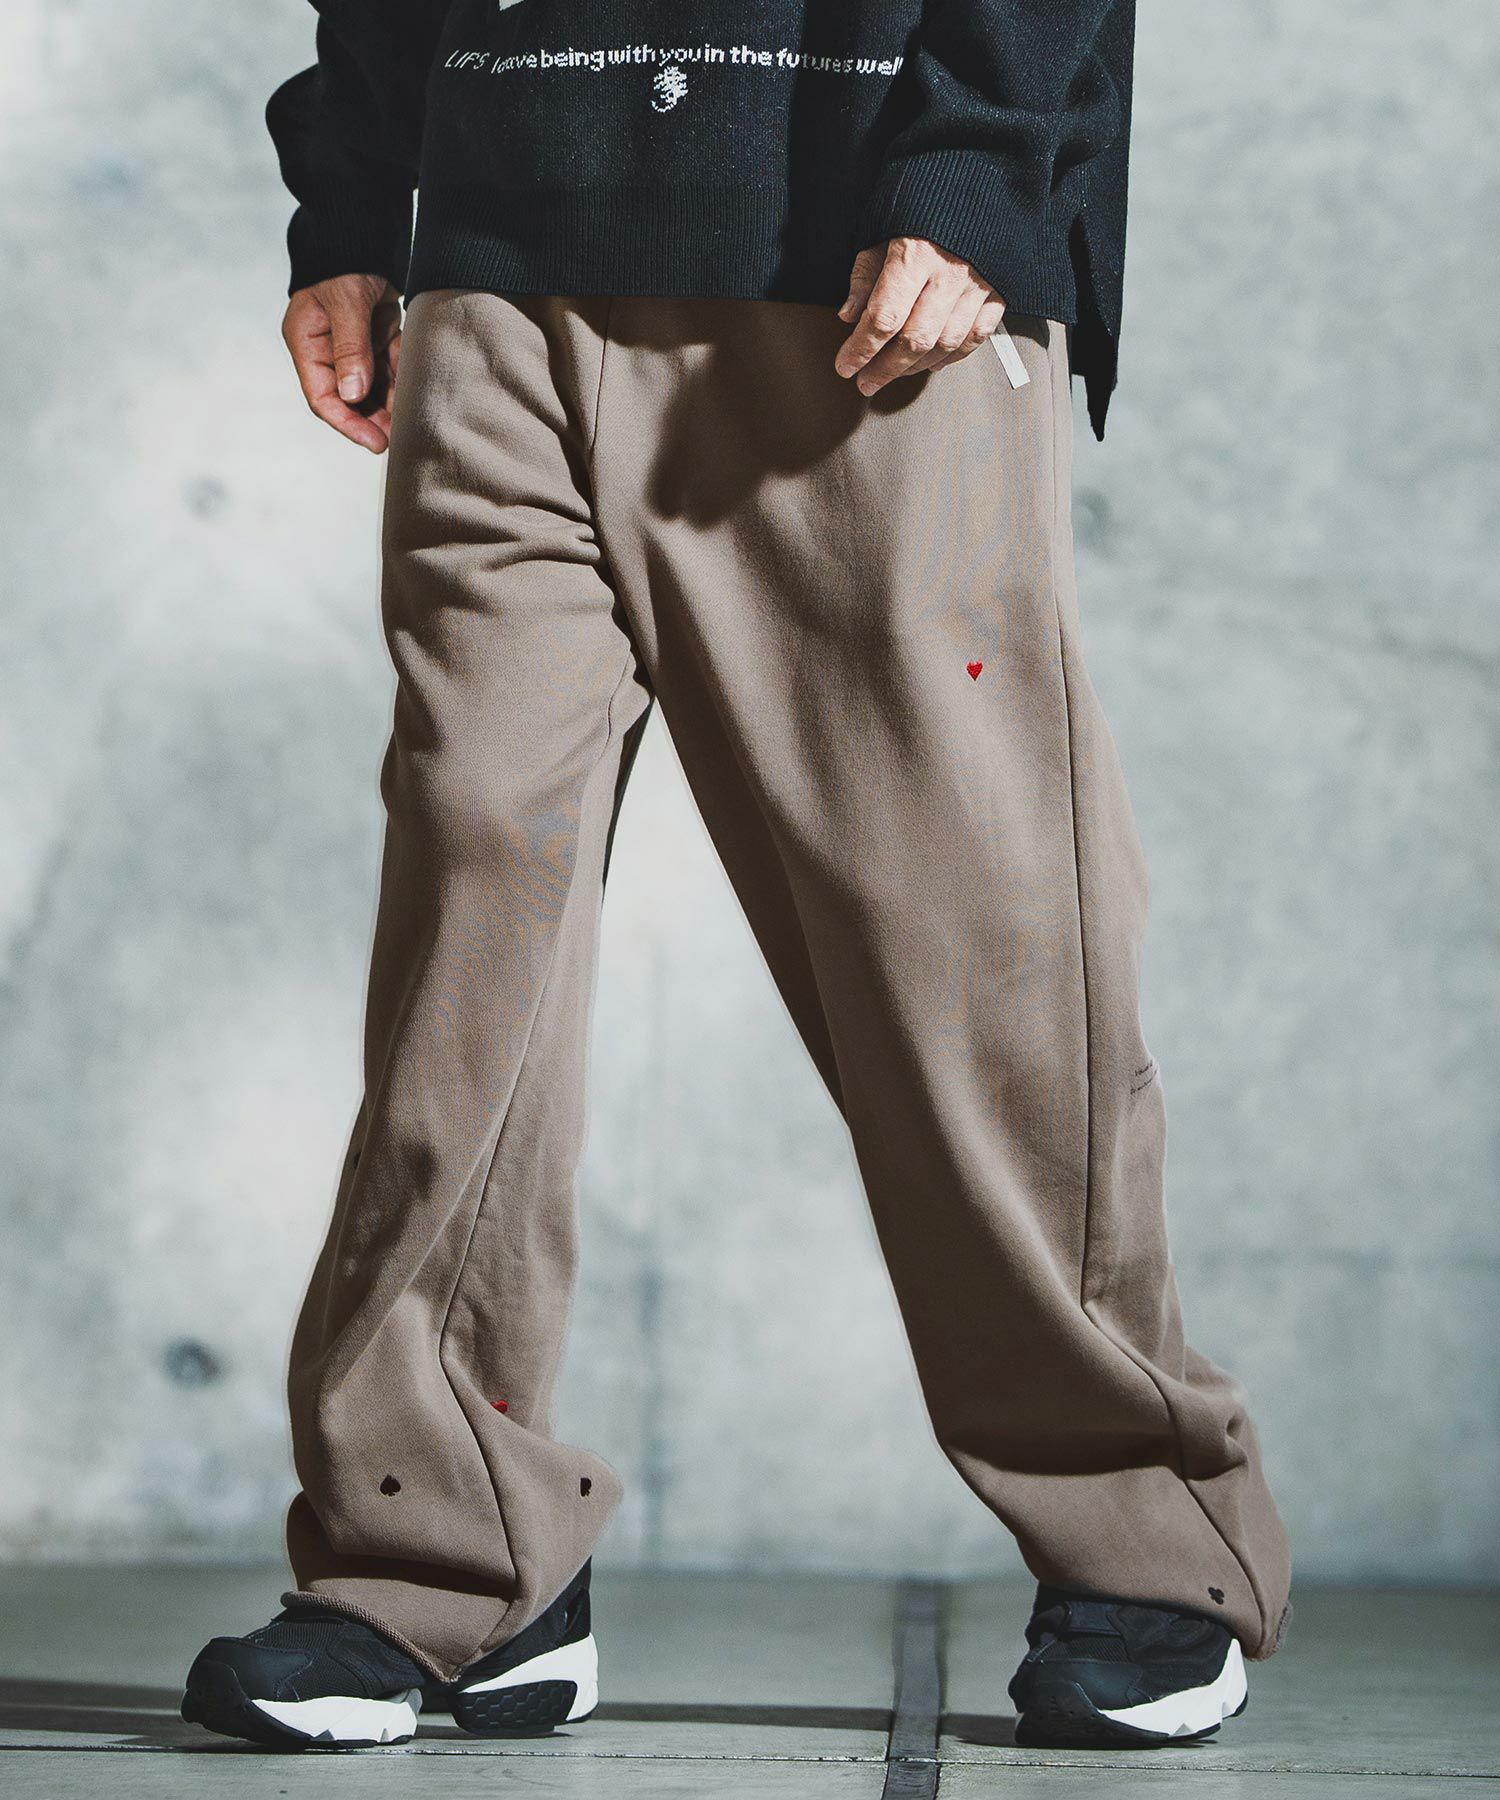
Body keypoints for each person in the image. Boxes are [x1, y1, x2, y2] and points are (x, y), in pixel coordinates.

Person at [182, 0, 1292, 1754]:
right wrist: (353, 191)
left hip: (856, 260)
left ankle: (1147, 1540)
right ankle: (445, 1550)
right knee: (473, 915)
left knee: (961, 931)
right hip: (498, 258)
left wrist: (979, 167)